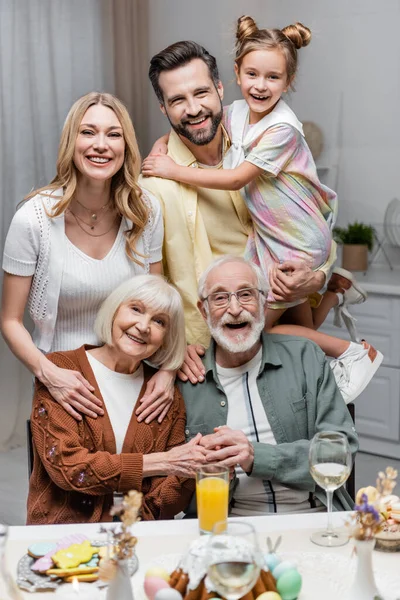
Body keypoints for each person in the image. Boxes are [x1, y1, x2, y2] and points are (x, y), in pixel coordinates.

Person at [141, 39, 382, 402]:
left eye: (201, 93)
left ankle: (345, 345)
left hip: (283, 273)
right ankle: (335, 308)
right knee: (282, 333)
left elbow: (305, 223)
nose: (193, 109)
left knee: (319, 430)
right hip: (216, 357)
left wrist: (316, 277)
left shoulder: (258, 137)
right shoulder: (154, 188)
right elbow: (150, 284)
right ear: (164, 108)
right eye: (177, 100)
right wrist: (171, 350)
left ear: (220, 89)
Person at [1, 92, 171, 425]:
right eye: (88, 132)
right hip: (63, 381)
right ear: (71, 141)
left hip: (133, 378)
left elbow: (159, 306)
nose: (101, 144)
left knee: (139, 475)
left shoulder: (146, 211)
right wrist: (49, 375)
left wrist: (167, 370)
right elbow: (10, 321)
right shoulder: (32, 219)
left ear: (126, 145)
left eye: (113, 134)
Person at [180, 256, 359, 515]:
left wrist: (257, 456)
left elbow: (341, 449)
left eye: (246, 295)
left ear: (264, 304)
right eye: (220, 298)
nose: (234, 308)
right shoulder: (186, 380)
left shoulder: (305, 357)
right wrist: (212, 475)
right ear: (203, 310)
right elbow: (174, 491)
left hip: (315, 517)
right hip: (230, 527)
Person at [27, 275, 208, 524]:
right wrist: (162, 462)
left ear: (167, 337)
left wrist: (198, 465)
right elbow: (67, 468)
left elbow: (164, 502)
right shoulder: (61, 371)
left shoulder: (164, 394)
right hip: (64, 539)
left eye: (159, 321)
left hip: (135, 539)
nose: (144, 326)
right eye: (136, 309)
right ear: (114, 311)